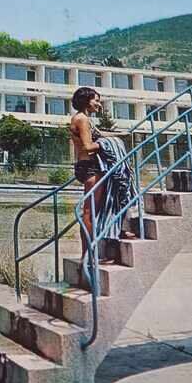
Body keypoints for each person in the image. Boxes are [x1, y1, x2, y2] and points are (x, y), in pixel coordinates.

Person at [70, 87, 134, 259]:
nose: (99, 104)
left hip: (90, 166)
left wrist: (119, 135)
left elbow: (98, 135)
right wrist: (111, 144)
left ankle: (115, 232)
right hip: (90, 168)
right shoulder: (82, 119)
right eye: (96, 100)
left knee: (104, 205)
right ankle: (88, 254)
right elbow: (88, 146)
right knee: (89, 212)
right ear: (85, 100)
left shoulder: (85, 119)